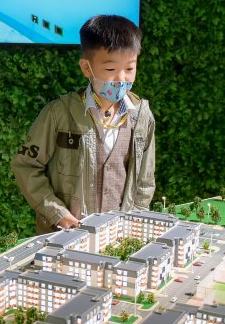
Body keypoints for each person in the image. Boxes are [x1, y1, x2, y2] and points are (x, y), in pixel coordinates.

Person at [11, 14, 155, 234]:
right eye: (110, 70)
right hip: (64, 235)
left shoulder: (142, 116)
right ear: (87, 68)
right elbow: (26, 166)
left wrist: (134, 222)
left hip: (119, 234)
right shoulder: (58, 113)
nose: (122, 78)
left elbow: (144, 180)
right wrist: (58, 214)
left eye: (129, 69)